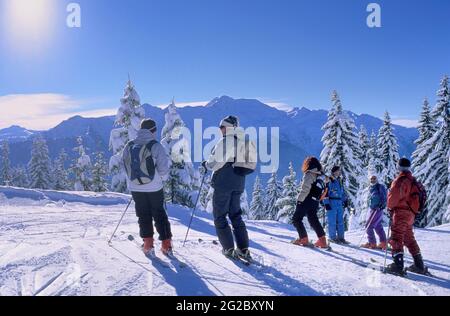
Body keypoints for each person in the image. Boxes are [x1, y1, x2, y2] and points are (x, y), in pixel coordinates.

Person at [202, 116, 251, 260]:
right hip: (238, 184)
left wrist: (206, 164)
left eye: (221, 127)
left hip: (224, 183)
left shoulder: (226, 141)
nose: (220, 129)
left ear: (228, 127)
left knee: (220, 216)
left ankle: (228, 249)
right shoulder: (243, 141)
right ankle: (244, 249)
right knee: (236, 216)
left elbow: (215, 163)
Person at [122, 119, 172, 257]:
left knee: (143, 214)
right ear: (153, 130)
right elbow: (163, 170)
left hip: (136, 188)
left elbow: (124, 166)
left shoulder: (130, 145)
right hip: (154, 187)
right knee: (159, 214)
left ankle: (148, 244)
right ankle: (166, 245)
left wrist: (134, 180)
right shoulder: (155, 146)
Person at [386, 158, 428, 275]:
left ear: (399, 167)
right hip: (411, 214)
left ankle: (398, 266)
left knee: (397, 237)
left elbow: (392, 199)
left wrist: (389, 207)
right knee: (409, 238)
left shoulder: (400, 180)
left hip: (400, 213)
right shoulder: (413, 180)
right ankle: (419, 264)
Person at [292, 157, 328, 248]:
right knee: (313, 219)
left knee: (296, 219)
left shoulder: (310, 173)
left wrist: (299, 200)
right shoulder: (321, 175)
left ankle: (303, 239)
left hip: (306, 199)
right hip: (315, 201)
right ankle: (322, 240)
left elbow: (305, 189)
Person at [322, 166, 349, 244]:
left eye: (339, 171)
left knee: (340, 221)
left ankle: (341, 238)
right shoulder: (329, 180)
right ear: (333, 172)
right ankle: (332, 237)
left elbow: (342, 192)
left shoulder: (340, 180)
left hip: (339, 203)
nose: (339, 172)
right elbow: (325, 192)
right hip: (332, 202)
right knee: (332, 221)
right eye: (337, 171)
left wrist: (345, 200)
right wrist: (326, 203)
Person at [361, 175, 387, 250]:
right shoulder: (371, 188)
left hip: (377, 209)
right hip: (372, 209)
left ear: (377, 179)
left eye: (374, 179)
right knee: (378, 226)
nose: (373, 180)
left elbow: (384, 196)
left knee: (368, 226)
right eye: (371, 179)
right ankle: (383, 243)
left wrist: (382, 205)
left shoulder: (380, 187)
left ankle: (372, 243)